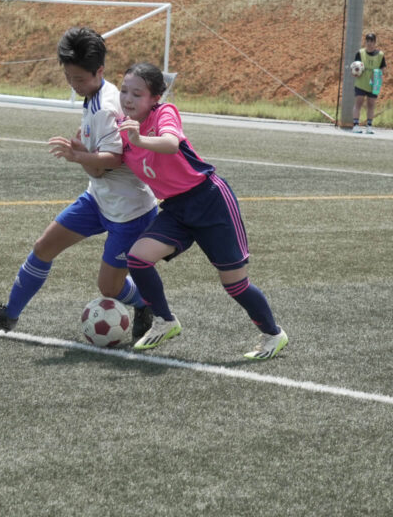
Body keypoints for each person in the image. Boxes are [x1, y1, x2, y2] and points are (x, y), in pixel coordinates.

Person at [0, 27, 158, 340]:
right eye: (68, 77)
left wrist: (77, 156)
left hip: (129, 212)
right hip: (99, 199)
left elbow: (112, 160)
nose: (73, 84)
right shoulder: (94, 95)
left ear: (99, 71)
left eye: (79, 79)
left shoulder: (106, 107)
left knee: (109, 288)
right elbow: (100, 166)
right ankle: (9, 314)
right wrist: (84, 153)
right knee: (44, 247)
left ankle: (146, 303)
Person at [114, 62, 288, 360]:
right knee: (138, 259)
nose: (128, 99)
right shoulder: (122, 126)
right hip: (176, 209)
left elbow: (170, 143)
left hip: (209, 200)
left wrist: (139, 139)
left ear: (155, 98)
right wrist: (80, 153)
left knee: (235, 285)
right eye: (124, 91)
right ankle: (165, 320)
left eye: (137, 94)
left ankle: (274, 334)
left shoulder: (164, 113)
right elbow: (109, 159)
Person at [352, 32, 387, 135]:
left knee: (371, 104)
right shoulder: (360, 53)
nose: (369, 43)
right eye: (367, 41)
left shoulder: (380, 55)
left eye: (371, 41)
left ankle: (369, 126)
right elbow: (355, 66)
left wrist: (377, 73)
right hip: (361, 83)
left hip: (374, 84)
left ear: (375, 42)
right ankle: (355, 125)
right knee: (358, 103)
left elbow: (383, 68)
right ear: (365, 42)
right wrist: (355, 72)